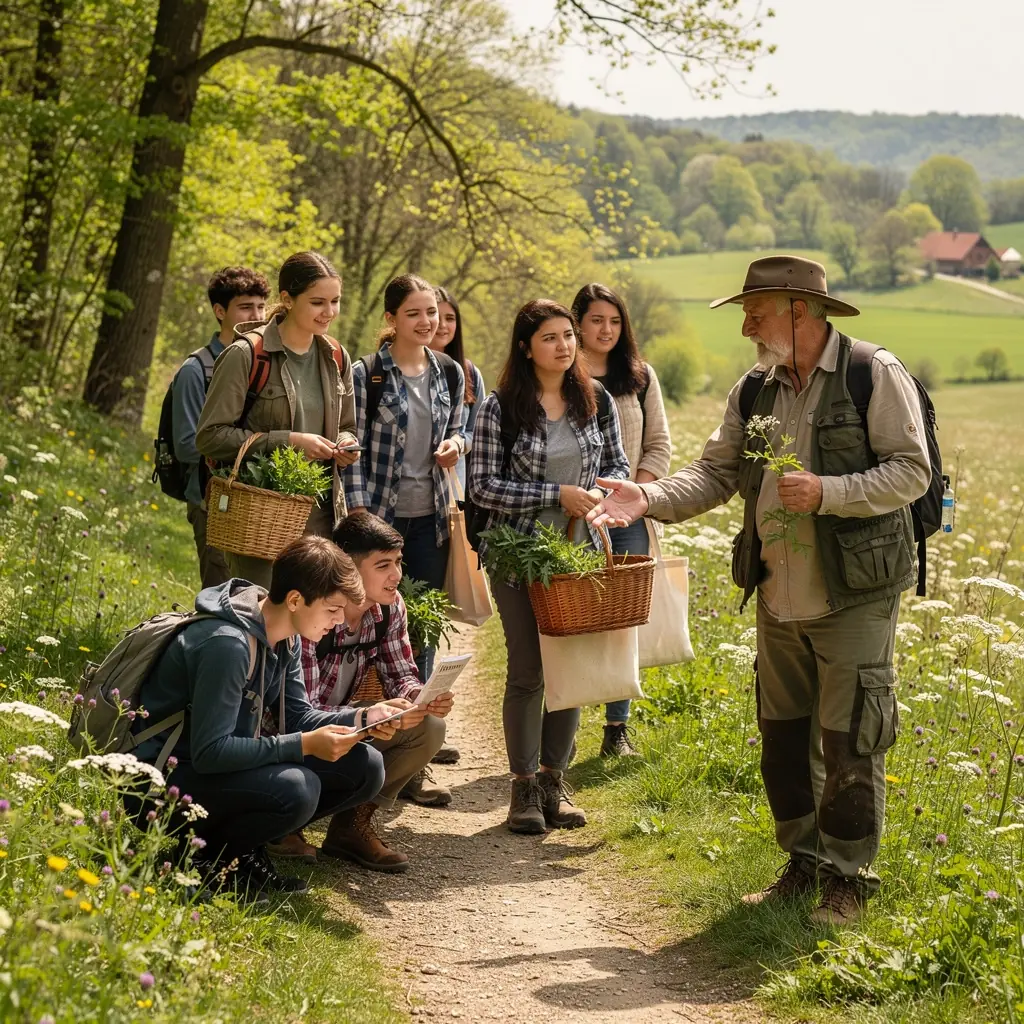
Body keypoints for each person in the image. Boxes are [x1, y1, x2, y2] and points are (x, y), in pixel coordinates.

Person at [587, 256, 931, 925]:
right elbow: (716, 472)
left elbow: (910, 471)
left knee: (851, 739)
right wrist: (648, 497)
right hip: (777, 592)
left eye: (755, 311)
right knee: (783, 737)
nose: (745, 326)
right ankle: (802, 865)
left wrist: (829, 492)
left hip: (855, 593)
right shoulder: (753, 390)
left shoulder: (871, 373)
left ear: (799, 311)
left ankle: (849, 880)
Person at [126, 536, 406, 899]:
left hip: (210, 771)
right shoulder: (227, 645)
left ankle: (239, 852)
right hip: (160, 782)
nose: (339, 621)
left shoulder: (285, 636)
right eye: (332, 609)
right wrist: (304, 745)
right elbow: (211, 752)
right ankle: (205, 859)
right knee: (298, 788)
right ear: (295, 600)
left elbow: (299, 715)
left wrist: (364, 718)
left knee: (365, 766)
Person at [468, 298, 630, 835]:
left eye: (567, 336)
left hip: (577, 555)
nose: (563, 346)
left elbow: (617, 464)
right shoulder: (500, 408)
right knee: (528, 670)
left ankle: (553, 781)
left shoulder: (596, 398)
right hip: (518, 555)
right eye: (549, 338)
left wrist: (599, 495)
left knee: (569, 669)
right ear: (525, 347)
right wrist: (555, 494)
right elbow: (482, 486)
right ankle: (523, 789)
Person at [274, 513, 456, 872]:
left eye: (398, 562)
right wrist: (365, 717)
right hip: (287, 732)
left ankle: (351, 825)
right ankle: (283, 823)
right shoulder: (315, 609)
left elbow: (401, 674)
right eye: (383, 565)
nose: (396, 575)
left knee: (430, 727)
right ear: (349, 568)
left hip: (340, 720)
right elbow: (299, 712)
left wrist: (421, 699)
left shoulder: (390, 607)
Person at [196, 251, 360, 589]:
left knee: (314, 618)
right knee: (262, 615)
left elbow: (347, 426)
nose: (329, 312)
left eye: (335, 301)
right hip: (261, 521)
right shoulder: (245, 354)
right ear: (287, 299)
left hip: (322, 522)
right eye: (317, 302)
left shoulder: (336, 356)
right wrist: (289, 441)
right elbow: (210, 437)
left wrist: (345, 443)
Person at [343, 274, 465, 683]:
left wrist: (456, 444)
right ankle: (371, 707)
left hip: (432, 522)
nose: (426, 321)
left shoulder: (449, 372)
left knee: (422, 624)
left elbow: (462, 429)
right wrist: (359, 513)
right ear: (391, 318)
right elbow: (351, 445)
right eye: (413, 313)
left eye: (431, 312)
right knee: (371, 618)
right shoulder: (366, 374)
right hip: (379, 518)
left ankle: (419, 710)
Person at [573, 282, 672, 756]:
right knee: (572, 616)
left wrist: (633, 497)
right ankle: (564, 725)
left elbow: (659, 445)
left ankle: (617, 728)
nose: (606, 329)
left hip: (627, 515)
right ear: (577, 323)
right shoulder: (560, 373)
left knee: (622, 618)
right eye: (596, 320)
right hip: (572, 515)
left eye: (614, 321)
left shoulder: (640, 376)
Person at [173, 267, 269, 588]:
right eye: (245, 307)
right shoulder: (196, 370)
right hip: (212, 500)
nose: (257, 316)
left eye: (261, 306)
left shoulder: (263, 362)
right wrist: (252, 448)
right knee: (223, 594)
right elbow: (187, 444)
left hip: (259, 501)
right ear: (219, 311)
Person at [431, 286, 485, 491]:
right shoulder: (397, 369)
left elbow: (475, 432)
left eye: (450, 318)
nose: (443, 325)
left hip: (452, 489)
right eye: (437, 316)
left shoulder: (470, 373)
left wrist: (457, 444)